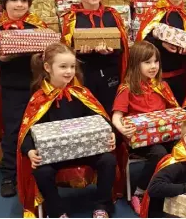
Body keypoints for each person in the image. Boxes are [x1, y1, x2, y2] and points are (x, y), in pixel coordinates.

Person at [17, 43, 118, 218]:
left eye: (72, 66)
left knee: (108, 160)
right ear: (47, 67)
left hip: (85, 150)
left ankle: (102, 205)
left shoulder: (81, 93)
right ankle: (57, 212)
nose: (69, 71)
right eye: (63, 66)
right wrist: (30, 151)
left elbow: (101, 119)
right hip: (55, 156)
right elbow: (27, 131)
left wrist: (110, 134)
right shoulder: (39, 99)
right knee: (42, 170)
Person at [0, 0, 47, 197]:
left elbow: (50, 58)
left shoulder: (38, 28)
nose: (19, 5)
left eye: (23, 0)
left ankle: (42, 173)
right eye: (14, 0)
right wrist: (2, 57)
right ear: (4, 2)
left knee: (39, 130)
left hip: (37, 88)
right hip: (12, 89)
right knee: (13, 133)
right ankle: (9, 176)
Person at [111, 41, 179, 214]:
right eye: (147, 62)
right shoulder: (127, 88)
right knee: (159, 152)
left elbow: (174, 112)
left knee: (182, 148)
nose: (153, 66)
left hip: (166, 136)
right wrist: (122, 128)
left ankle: (173, 188)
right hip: (139, 141)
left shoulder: (162, 86)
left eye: (156, 62)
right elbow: (117, 116)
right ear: (135, 64)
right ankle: (140, 192)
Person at [61, 0, 129, 113]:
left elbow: (123, 48)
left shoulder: (113, 15)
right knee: (88, 113)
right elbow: (65, 51)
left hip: (111, 75)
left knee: (112, 111)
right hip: (85, 76)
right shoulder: (71, 18)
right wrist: (79, 53)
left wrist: (110, 51)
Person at [136, 0, 186, 103]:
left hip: (181, 76)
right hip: (157, 79)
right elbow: (142, 41)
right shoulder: (155, 13)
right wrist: (162, 44)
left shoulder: (185, 14)